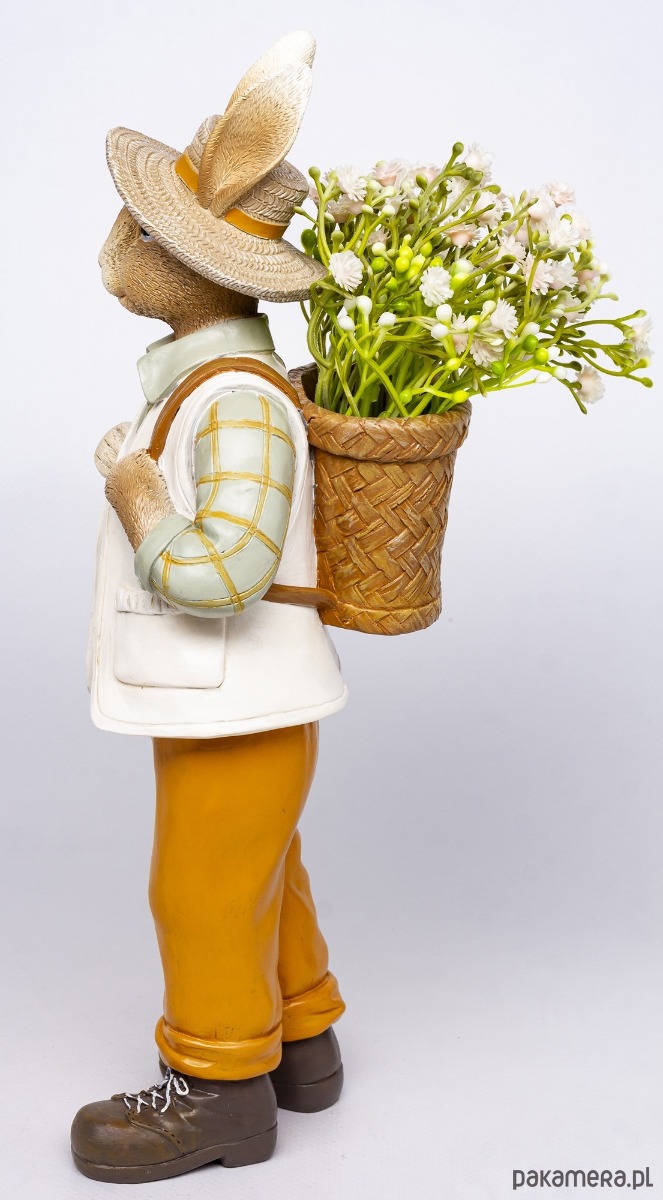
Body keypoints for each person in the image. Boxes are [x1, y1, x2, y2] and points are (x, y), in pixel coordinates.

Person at [72, 31, 348, 1185]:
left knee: (198, 889)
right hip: (225, 697)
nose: (118, 246)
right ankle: (303, 1041)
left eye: (145, 235)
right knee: (261, 870)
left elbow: (227, 570)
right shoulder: (211, 384)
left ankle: (220, 1086)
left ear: (204, 270)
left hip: (238, 696)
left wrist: (138, 496)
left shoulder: (237, 401)